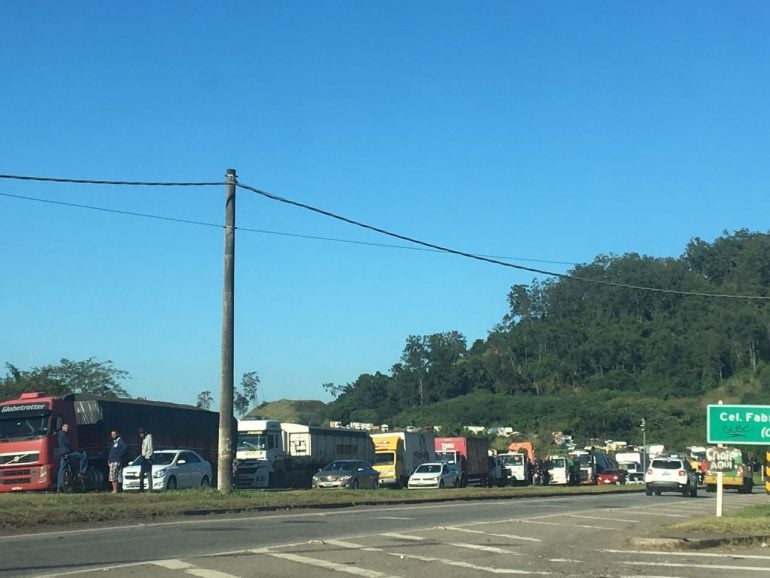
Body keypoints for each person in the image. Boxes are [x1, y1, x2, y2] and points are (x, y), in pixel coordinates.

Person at [57, 422, 87, 492]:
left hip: (62, 455)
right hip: (68, 453)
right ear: (62, 427)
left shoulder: (59, 435)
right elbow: (69, 444)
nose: (67, 428)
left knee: (61, 469)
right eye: (66, 427)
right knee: (82, 457)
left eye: (67, 427)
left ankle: (59, 486)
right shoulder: (63, 435)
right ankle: (82, 472)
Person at [107, 429, 127, 493]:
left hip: (116, 461)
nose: (112, 436)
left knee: (113, 476)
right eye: (112, 434)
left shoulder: (120, 442)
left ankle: (115, 490)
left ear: (117, 434)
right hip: (112, 461)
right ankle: (119, 490)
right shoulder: (114, 442)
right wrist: (109, 460)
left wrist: (118, 456)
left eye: (114, 434)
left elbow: (124, 448)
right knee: (118, 476)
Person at [138, 427, 154, 493]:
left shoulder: (149, 438)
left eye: (142, 433)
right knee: (141, 474)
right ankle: (141, 488)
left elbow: (150, 448)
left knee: (148, 473)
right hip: (143, 457)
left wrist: (148, 456)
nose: (140, 435)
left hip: (147, 458)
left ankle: (150, 489)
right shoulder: (144, 439)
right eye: (140, 434)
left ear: (145, 432)